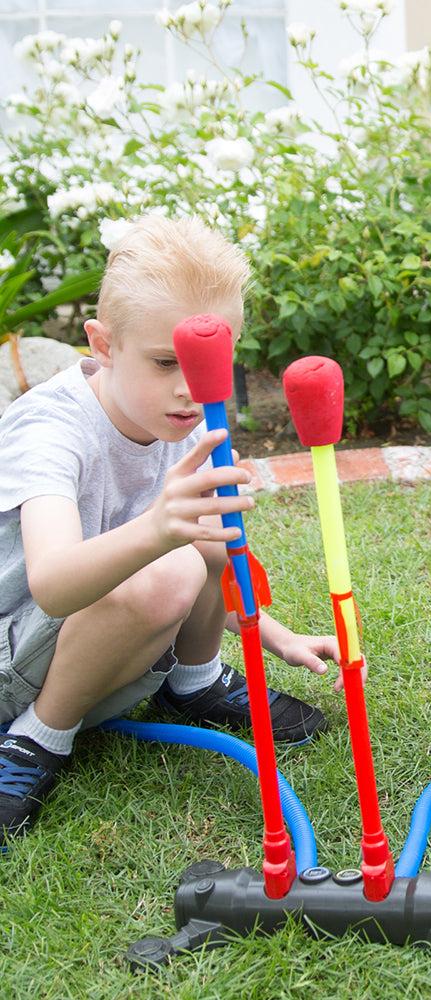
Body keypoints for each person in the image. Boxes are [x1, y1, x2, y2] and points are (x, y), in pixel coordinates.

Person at [0, 214, 340, 846]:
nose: (190, 389)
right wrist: (160, 527)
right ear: (101, 345)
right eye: (165, 361)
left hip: (93, 647)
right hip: (12, 659)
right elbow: (50, 584)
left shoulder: (172, 412)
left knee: (207, 529)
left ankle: (194, 683)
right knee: (177, 554)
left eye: (210, 363)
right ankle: (33, 741)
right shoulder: (49, 429)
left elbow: (216, 551)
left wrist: (272, 634)